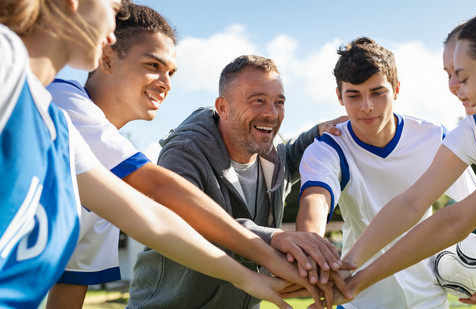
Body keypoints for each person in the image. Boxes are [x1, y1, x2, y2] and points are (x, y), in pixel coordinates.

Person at [0, 1, 303, 308]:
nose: (167, 84)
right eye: (153, 66)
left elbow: (148, 224)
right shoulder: (55, 96)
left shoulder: (72, 141)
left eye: (170, 71)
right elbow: (159, 190)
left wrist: (247, 276)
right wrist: (267, 251)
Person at [327, 3, 476, 308]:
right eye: (450, 75)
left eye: (464, 76)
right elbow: (453, 218)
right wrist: (351, 277)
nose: (456, 88)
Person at [295, 37, 476, 309]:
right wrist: (310, 254)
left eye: (377, 93)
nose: (367, 107)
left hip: (429, 298)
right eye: (354, 96)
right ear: (339, 96)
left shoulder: (434, 137)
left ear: (396, 90)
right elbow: (315, 200)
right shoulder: (327, 148)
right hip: (361, 300)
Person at [127, 54, 350, 308]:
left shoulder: (274, 154)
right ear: (222, 107)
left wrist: (320, 132)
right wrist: (274, 237)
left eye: (279, 102)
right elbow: (193, 223)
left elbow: (294, 154)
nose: (272, 113)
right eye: (258, 101)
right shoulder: (184, 152)